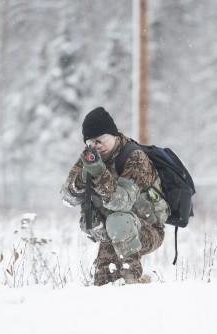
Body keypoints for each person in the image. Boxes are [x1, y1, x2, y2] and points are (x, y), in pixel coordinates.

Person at [61, 107, 170, 286]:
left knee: (119, 220)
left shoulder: (134, 158)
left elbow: (122, 203)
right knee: (103, 283)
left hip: (146, 230)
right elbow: (67, 197)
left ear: (114, 135)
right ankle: (135, 285)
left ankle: (133, 279)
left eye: (100, 141)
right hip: (110, 230)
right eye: (90, 143)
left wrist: (99, 175)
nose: (96, 147)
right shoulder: (90, 157)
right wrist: (82, 178)